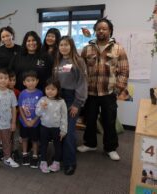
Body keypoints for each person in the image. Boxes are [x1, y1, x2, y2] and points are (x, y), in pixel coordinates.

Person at [77, 18, 129, 161]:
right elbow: (81, 69)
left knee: (109, 121)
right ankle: (90, 144)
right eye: (98, 28)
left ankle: (110, 148)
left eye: (104, 28)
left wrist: (117, 90)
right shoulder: (87, 49)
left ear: (110, 30)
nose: (101, 31)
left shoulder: (118, 49)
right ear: (95, 31)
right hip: (91, 93)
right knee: (90, 119)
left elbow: (124, 71)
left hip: (108, 93)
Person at [53, 36, 87, 175]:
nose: (63, 47)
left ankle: (70, 163)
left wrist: (77, 104)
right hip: (58, 97)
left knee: (69, 132)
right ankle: (60, 156)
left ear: (71, 46)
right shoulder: (57, 61)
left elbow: (82, 83)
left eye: (66, 45)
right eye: (61, 45)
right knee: (59, 128)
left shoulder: (78, 61)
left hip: (71, 98)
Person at [35, 78, 67, 173]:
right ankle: (43, 162)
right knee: (44, 145)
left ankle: (56, 163)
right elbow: (37, 113)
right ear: (45, 89)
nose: (50, 91)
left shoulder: (61, 102)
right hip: (44, 127)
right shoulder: (42, 100)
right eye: (48, 89)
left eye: (53, 89)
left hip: (56, 128)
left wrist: (63, 130)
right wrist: (42, 107)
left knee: (57, 146)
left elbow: (64, 117)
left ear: (58, 90)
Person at [18, 70, 43, 168]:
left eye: (33, 80)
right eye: (28, 80)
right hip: (24, 122)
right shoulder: (22, 94)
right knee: (24, 139)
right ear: (24, 82)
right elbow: (20, 107)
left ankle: (35, 156)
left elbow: (41, 109)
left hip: (35, 122)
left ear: (37, 81)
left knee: (35, 140)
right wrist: (25, 120)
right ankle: (25, 154)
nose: (31, 82)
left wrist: (34, 120)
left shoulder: (40, 93)